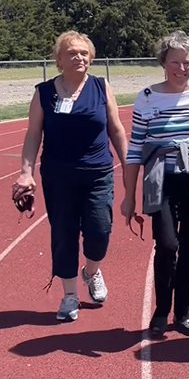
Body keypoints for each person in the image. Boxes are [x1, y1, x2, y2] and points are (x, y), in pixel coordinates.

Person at [120, 30, 189, 337]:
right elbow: (135, 149)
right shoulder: (146, 97)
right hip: (162, 181)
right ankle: (161, 310)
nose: (182, 68)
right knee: (167, 245)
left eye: (188, 62)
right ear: (163, 63)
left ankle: (183, 313)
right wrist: (129, 195)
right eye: (176, 62)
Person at [12, 31, 128, 322]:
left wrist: (129, 166)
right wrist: (26, 172)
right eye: (72, 53)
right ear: (59, 59)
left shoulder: (102, 87)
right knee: (63, 236)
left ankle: (91, 271)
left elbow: (116, 129)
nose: (79, 57)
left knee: (100, 231)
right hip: (58, 176)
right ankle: (69, 295)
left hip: (98, 173)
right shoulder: (44, 92)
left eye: (84, 53)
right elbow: (33, 133)